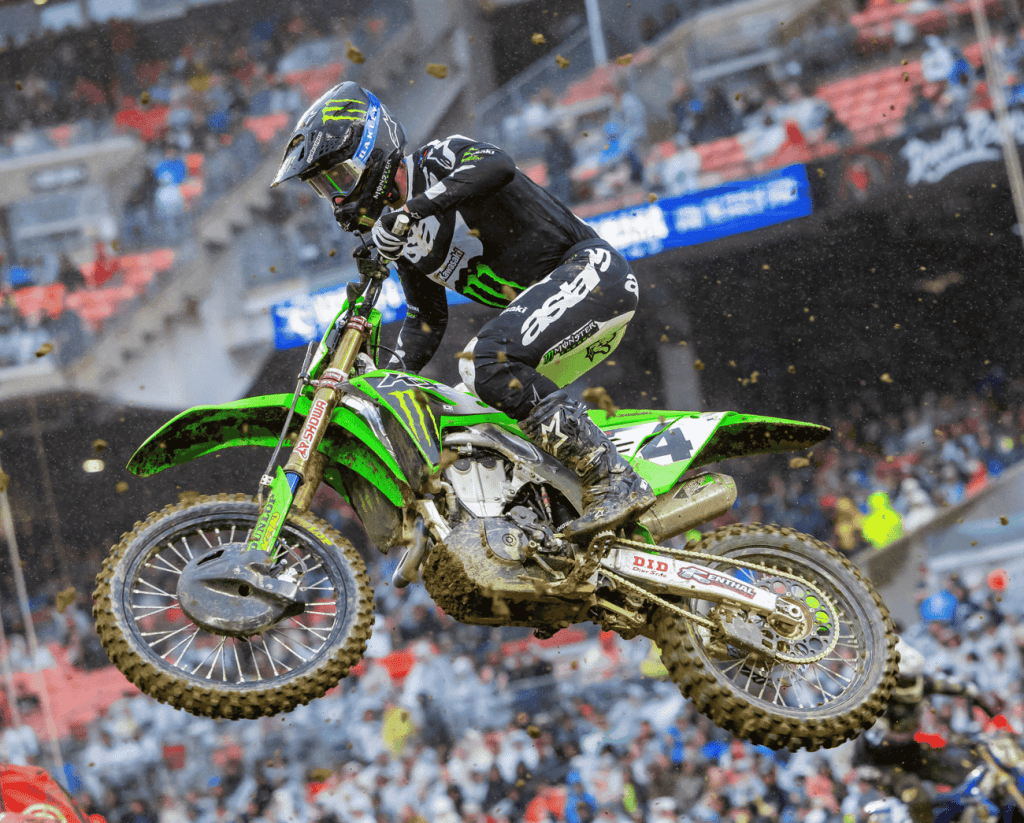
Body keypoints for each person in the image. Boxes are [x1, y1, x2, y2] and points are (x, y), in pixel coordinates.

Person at [271, 81, 655, 541]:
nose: (336, 197)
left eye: (338, 178)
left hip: (594, 273)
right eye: (323, 187)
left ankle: (616, 479)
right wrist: (384, 377)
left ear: (372, 152)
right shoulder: (403, 238)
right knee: (465, 418)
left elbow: (498, 165)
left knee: (485, 360)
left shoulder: (438, 160)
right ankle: (552, 521)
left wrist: (411, 211)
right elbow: (426, 321)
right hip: (556, 319)